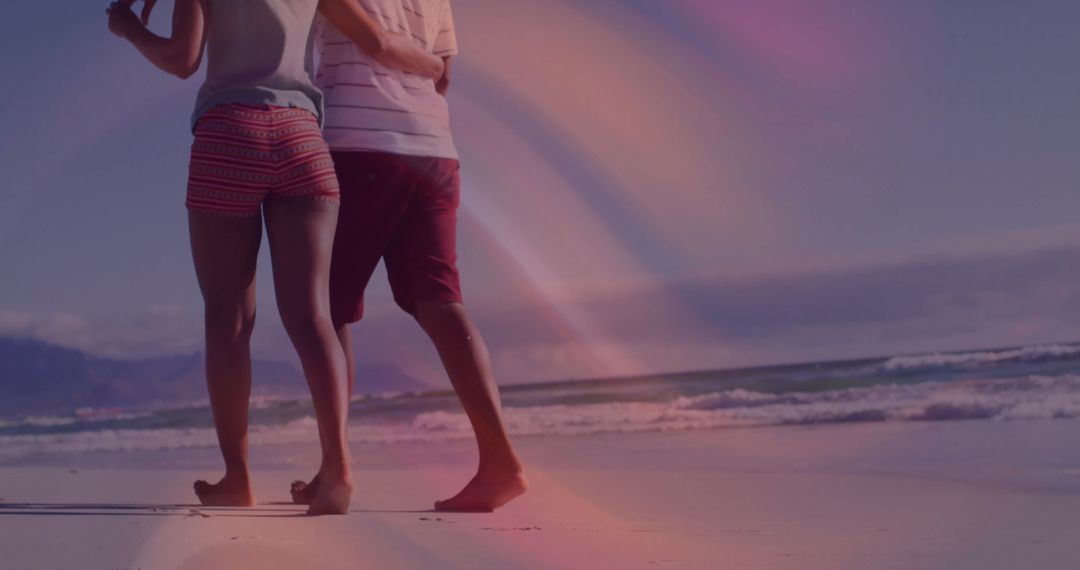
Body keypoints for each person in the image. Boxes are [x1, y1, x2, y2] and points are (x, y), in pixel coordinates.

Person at [105, 0, 444, 515]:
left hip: (228, 135)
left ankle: (237, 479)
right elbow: (376, 40)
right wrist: (434, 65)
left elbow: (181, 59)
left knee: (227, 321)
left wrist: (130, 28)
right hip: (302, 140)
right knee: (313, 318)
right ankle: (338, 469)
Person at [289, 0, 526, 513]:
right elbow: (444, 76)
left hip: (356, 144)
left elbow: (371, 41)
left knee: (329, 310)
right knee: (441, 300)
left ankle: (335, 467)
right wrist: (423, 70)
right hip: (434, 147)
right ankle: (499, 460)